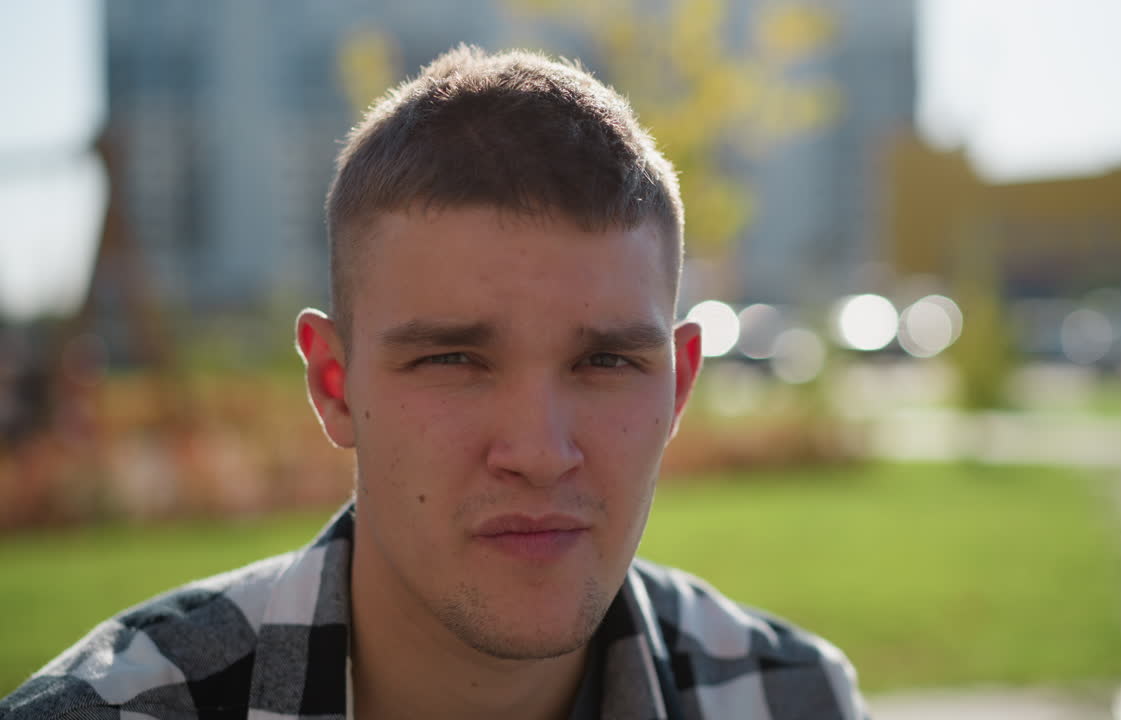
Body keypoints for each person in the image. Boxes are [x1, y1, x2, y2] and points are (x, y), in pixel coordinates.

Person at [1, 46, 868, 719]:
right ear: (335, 384)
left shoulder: (787, 697)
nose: (538, 452)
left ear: (678, 386)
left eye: (605, 361)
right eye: (453, 360)